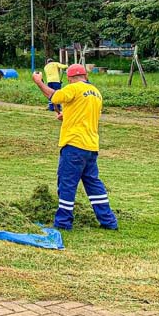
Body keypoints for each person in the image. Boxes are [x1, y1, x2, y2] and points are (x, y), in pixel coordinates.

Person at [33, 64, 118, 231]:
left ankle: (63, 223)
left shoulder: (73, 88)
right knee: (93, 183)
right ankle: (109, 221)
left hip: (74, 144)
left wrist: (39, 82)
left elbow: (54, 96)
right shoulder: (96, 93)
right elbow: (85, 114)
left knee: (67, 183)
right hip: (91, 146)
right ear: (85, 76)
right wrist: (67, 116)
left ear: (70, 78)